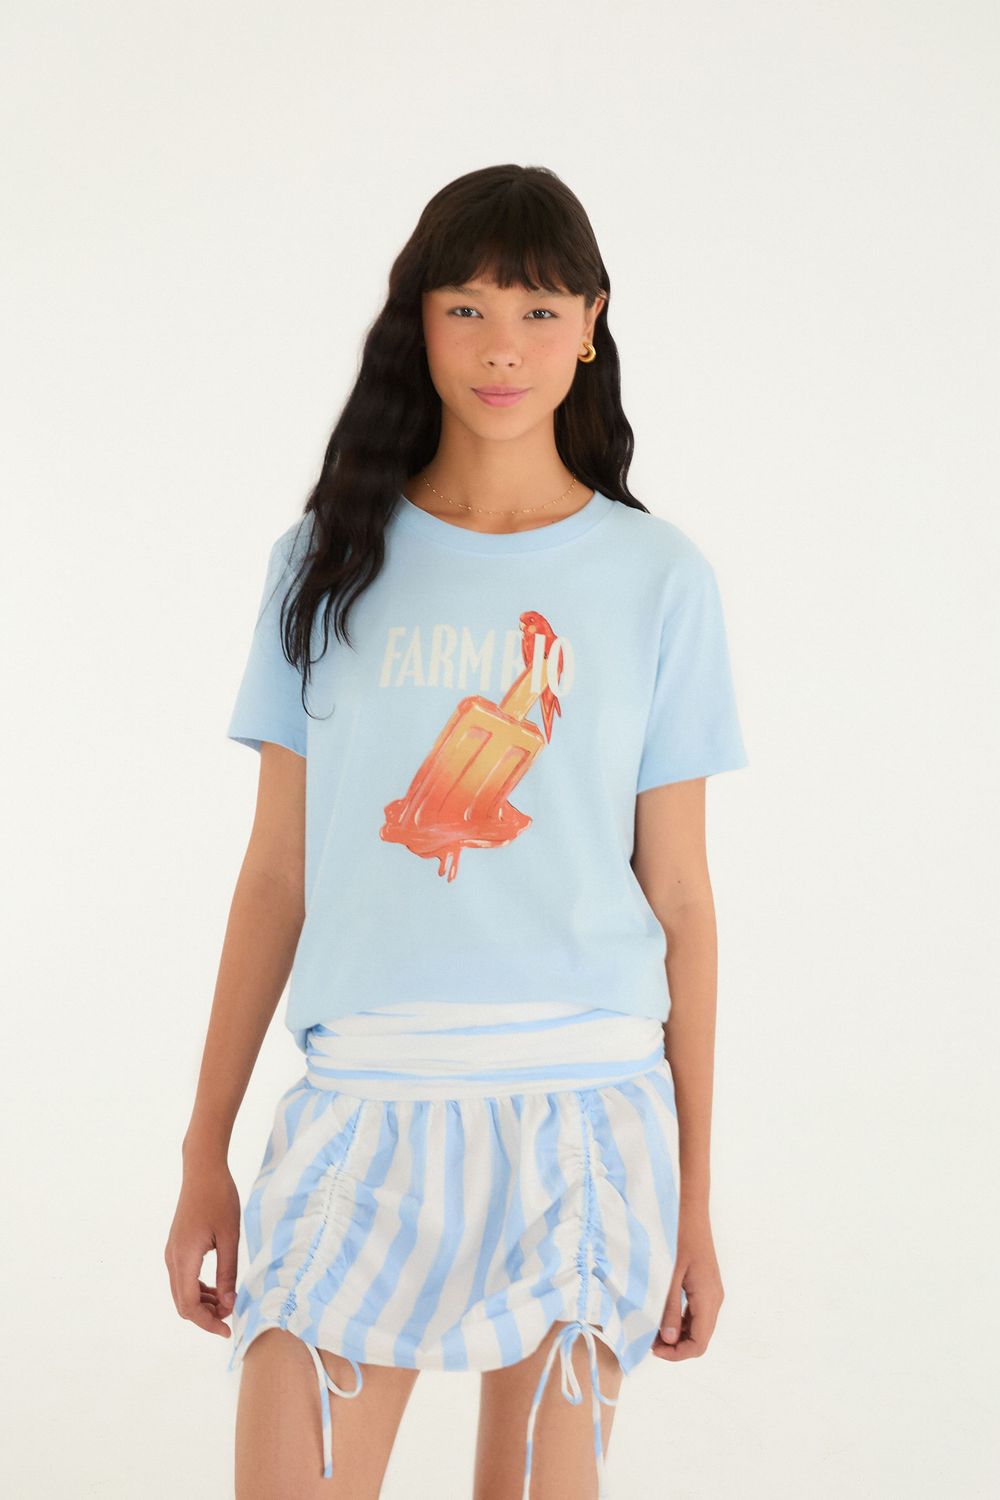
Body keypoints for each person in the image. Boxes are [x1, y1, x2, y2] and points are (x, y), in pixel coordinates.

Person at [165, 162, 749, 1500]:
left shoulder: (656, 577)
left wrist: (694, 1201)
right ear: (417, 322)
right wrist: (205, 1150)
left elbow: (682, 899)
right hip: (362, 1107)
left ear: (591, 325)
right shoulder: (325, 559)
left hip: (586, 1119)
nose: (501, 349)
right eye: (467, 308)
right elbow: (276, 874)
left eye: (540, 312)